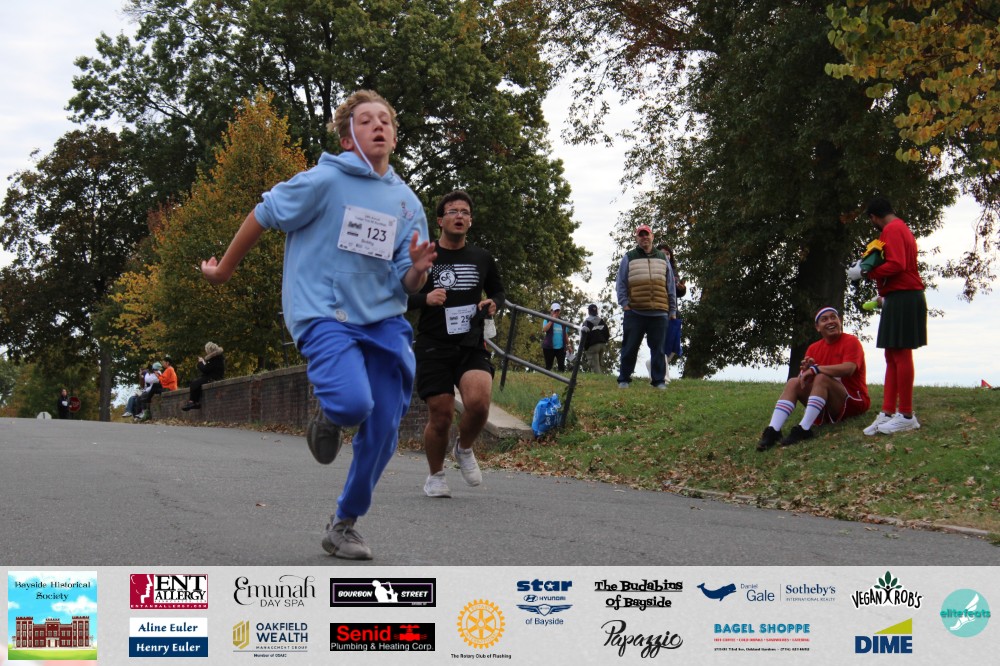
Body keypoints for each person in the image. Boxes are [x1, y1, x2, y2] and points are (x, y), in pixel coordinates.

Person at [199, 90, 435, 560]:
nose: (378, 125)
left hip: (384, 319)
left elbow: (406, 281)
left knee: (385, 426)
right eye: (365, 120)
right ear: (347, 139)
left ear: (394, 136)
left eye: (385, 120)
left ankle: (344, 524)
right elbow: (263, 213)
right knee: (352, 403)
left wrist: (416, 270)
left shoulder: (407, 205)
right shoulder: (323, 181)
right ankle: (331, 415)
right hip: (325, 312)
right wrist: (223, 270)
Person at [408, 190, 505, 499]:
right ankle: (435, 476)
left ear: (470, 221)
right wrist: (425, 298)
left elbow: (499, 292)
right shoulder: (427, 255)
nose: (460, 216)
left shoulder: (482, 258)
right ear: (440, 220)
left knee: (479, 403)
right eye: (453, 211)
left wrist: (493, 302)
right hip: (433, 344)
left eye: (465, 212)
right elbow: (398, 296)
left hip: (470, 341)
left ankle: (463, 448)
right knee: (441, 415)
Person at [854, 196, 927, 435]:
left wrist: (866, 273)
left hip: (905, 295)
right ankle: (887, 412)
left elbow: (897, 264)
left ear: (874, 217)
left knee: (901, 353)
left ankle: (906, 415)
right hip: (897, 296)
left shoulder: (892, 229)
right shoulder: (899, 228)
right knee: (892, 354)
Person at [756, 307, 871, 450]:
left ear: (840, 321)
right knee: (793, 382)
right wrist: (805, 373)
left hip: (853, 401)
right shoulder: (813, 348)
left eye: (833, 317)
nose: (830, 321)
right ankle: (773, 430)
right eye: (824, 319)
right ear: (818, 327)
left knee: (822, 377)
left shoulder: (851, 341)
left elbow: (849, 368)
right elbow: (805, 381)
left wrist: (816, 369)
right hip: (827, 404)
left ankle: (804, 428)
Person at [616, 224, 677, 389]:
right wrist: (624, 304)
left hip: (660, 312)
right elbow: (621, 283)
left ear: (652, 237)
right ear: (637, 238)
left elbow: (670, 285)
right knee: (630, 347)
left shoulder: (663, 258)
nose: (644, 237)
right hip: (635, 311)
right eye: (641, 235)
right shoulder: (629, 257)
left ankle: (659, 381)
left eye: (646, 234)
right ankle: (624, 379)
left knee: (658, 350)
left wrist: (672, 309)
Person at [182, 342, 225, 410]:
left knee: (194, 383)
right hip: (213, 376)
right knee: (196, 383)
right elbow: (209, 368)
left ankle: (192, 402)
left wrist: (200, 363)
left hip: (213, 377)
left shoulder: (215, 358)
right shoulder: (217, 358)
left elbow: (205, 369)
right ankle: (195, 402)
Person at [541, 302, 573, 371]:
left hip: (561, 348)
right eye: (555, 310)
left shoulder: (563, 322)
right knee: (548, 367)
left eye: (558, 310)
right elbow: (544, 330)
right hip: (549, 348)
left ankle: (560, 377)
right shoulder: (547, 319)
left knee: (561, 368)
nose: (556, 312)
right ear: (551, 311)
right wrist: (552, 320)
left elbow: (565, 334)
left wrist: (569, 345)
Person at [580, 304, 610, 373]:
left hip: (593, 346)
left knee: (595, 367)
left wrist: (585, 347)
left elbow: (584, 336)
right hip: (602, 345)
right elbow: (607, 333)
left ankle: (599, 379)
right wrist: (604, 341)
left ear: (589, 311)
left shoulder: (587, 322)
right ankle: (603, 378)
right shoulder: (601, 321)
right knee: (600, 365)